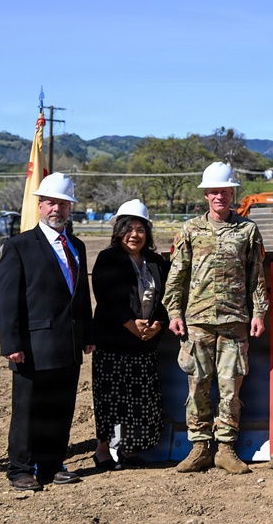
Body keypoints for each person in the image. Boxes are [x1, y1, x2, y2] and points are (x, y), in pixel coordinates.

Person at [163, 161, 269, 475]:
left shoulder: (247, 230)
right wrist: (173, 311)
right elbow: (177, 274)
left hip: (235, 320)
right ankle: (198, 448)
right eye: (214, 192)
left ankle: (225, 449)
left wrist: (259, 312)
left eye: (224, 191)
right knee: (196, 385)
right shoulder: (190, 230)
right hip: (197, 320)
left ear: (232, 192)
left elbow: (256, 277)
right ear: (206, 195)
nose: (219, 196)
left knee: (230, 387)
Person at [0, 172, 94, 491]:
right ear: (40, 206)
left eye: (64, 204)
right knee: (27, 410)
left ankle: (51, 465)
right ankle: (20, 468)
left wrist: (88, 333)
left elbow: (80, 295)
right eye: (51, 202)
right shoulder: (19, 246)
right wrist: (11, 343)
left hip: (68, 344)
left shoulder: (76, 245)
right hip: (32, 345)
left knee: (60, 408)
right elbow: (7, 300)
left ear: (70, 209)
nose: (57, 209)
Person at [90, 199, 169, 471]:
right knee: (110, 398)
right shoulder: (107, 258)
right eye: (129, 228)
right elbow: (107, 297)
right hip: (114, 341)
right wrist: (131, 325)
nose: (135, 235)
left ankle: (129, 449)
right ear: (119, 230)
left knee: (140, 399)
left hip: (145, 344)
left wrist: (158, 323)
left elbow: (167, 297)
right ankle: (102, 450)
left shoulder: (157, 262)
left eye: (140, 229)